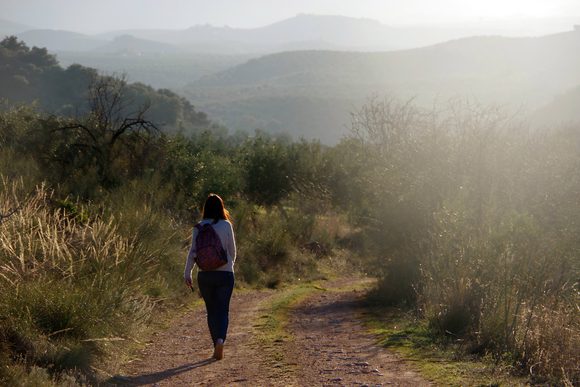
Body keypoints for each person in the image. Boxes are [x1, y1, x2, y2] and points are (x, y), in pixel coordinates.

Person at [184, 193, 236, 360]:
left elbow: (193, 252)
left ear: (205, 208)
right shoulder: (226, 225)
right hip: (225, 274)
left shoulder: (198, 227)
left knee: (211, 311)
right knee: (223, 310)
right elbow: (232, 251)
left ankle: (216, 344)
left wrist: (188, 272)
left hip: (205, 275)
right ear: (221, 207)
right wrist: (228, 265)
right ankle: (221, 340)